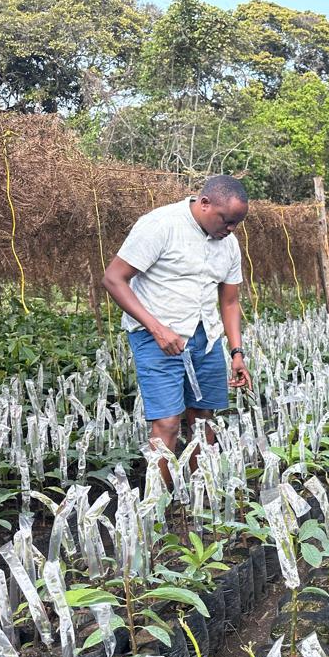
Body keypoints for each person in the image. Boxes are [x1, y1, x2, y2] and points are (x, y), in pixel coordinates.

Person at [103, 175, 253, 476]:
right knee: (168, 423)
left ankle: (202, 497)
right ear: (205, 203)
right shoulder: (161, 225)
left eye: (237, 223)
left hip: (205, 338)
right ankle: (159, 509)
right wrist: (157, 329)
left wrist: (236, 352)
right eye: (227, 221)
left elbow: (230, 302)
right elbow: (113, 278)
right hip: (157, 337)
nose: (231, 229)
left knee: (203, 419)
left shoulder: (229, 244)